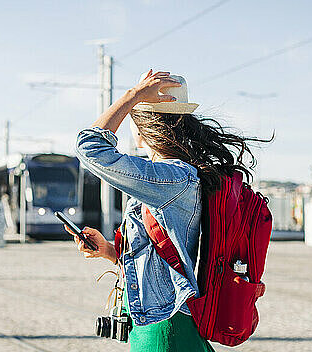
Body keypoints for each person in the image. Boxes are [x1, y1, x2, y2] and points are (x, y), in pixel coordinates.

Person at [66, 70, 261, 351]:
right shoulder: (168, 178)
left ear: (144, 128)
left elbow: (91, 148)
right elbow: (166, 255)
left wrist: (131, 96)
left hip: (166, 330)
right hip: (157, 324)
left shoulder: (173, 178)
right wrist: (110, 251)